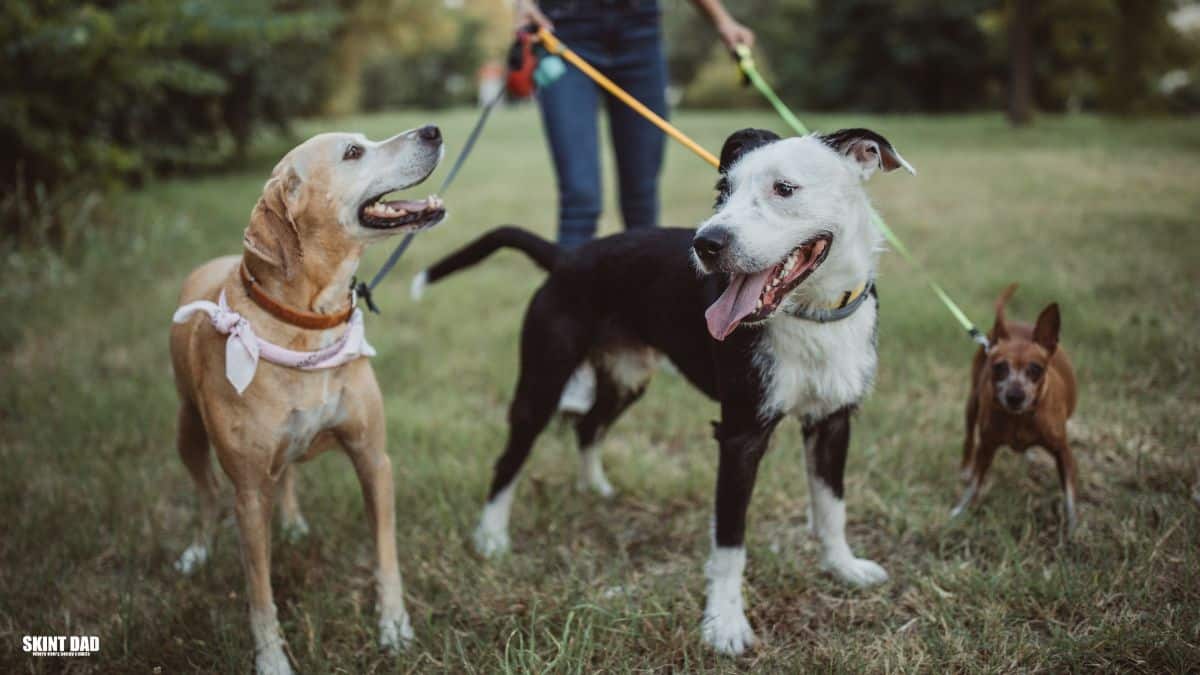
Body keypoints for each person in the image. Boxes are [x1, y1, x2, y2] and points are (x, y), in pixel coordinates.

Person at [516, 0, 755, 412]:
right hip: (564, 29)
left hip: (639, 32)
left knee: (641, 197)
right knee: (580, 199)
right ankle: (572, 356)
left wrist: (722, 20)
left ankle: (651, 334)